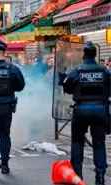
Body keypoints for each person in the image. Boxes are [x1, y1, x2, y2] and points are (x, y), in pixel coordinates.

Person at [59, 41, 109, 185]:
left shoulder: (77, 71)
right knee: (99, 143)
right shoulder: (104, 70)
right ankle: (100, 176)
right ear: (95, 54)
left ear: (83, 54)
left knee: (77, 141)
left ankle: (77, 173)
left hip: (81, 110)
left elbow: (67, 88)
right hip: (101, 109)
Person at [0, 40, 25, 177]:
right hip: (7, 107)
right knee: (5, 135)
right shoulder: (13, 68)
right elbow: (20, 87)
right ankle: (5, 164)